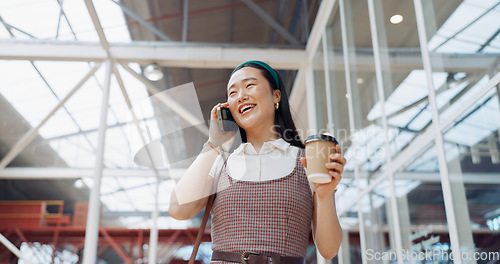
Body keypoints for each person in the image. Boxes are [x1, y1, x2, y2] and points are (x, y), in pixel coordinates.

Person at [169, 61, 346, 263]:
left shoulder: (307, 160)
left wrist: (325, 195)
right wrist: (213, 144)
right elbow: (178, 210)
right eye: (232, 93)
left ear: (276, 96)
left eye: (249, 85)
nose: (241, 95)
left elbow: (329, 250)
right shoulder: (220, 162)